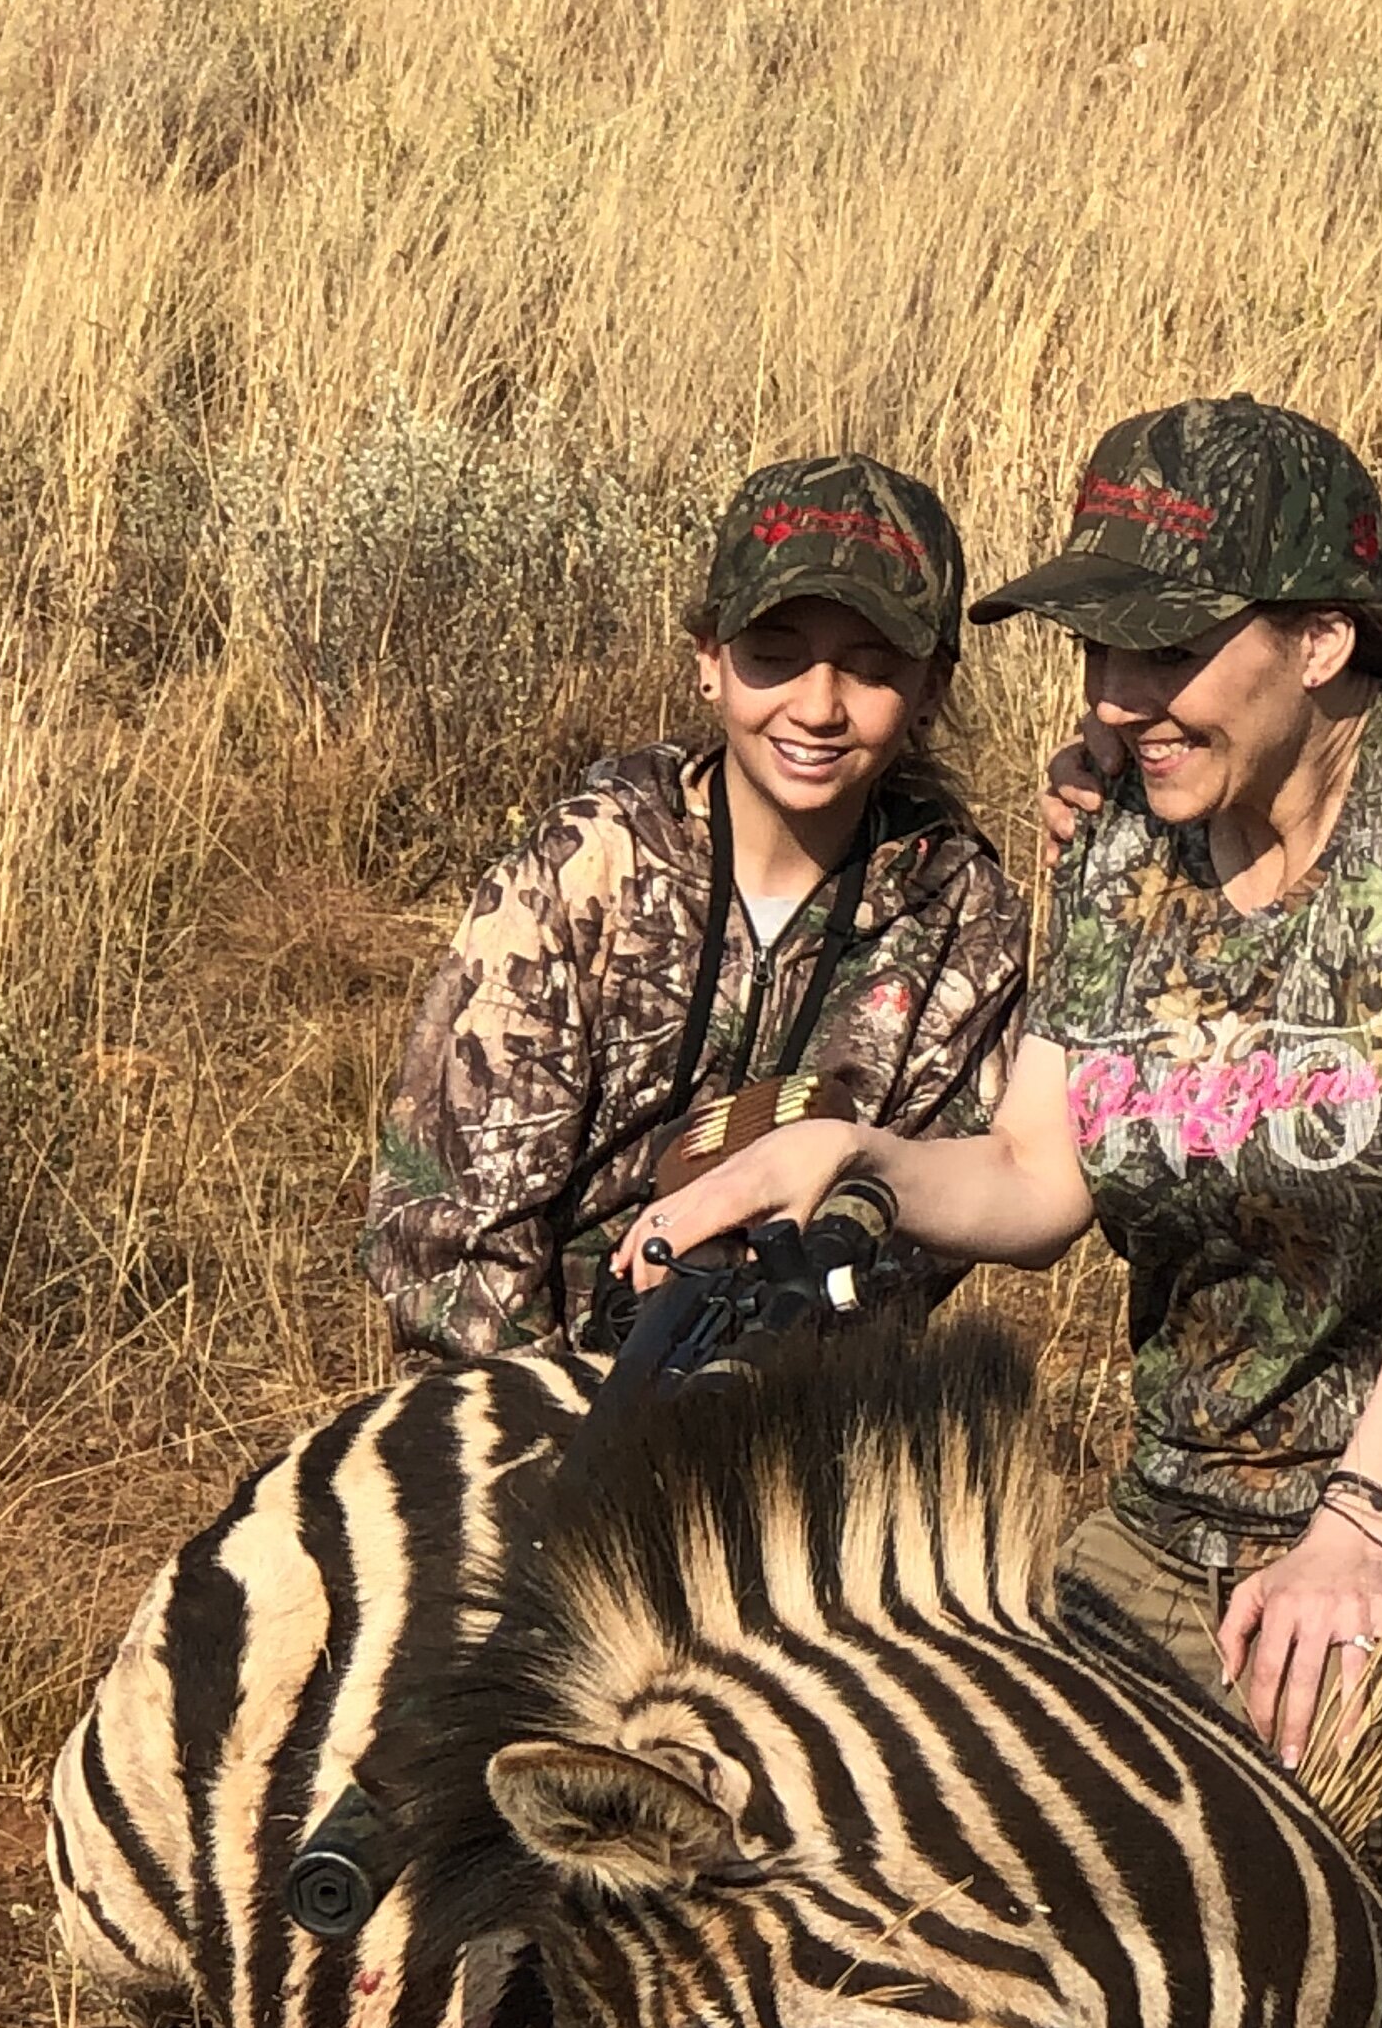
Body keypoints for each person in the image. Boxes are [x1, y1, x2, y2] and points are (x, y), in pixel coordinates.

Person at [625, 398, 1382, 2028]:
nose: (1118, 698)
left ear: (1318, 635)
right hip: (1167, 1524)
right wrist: (845, 1151)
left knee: (1311, 1988)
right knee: (970, 1889)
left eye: (1167, 648)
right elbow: (1037, 1175)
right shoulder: (1121, 844)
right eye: (1101, 649)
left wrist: (1358, 1529)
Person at [361, 456, 1028, 1358]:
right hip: (539, 1405)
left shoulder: (961, 922)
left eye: (870, 671)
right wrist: (561, 1434)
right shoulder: (586, 869)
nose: (817, 707)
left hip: (797, 1407)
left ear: (930, 691)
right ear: (709, 662)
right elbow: (451, 1234)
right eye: (774, 658)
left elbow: (914, 1249)